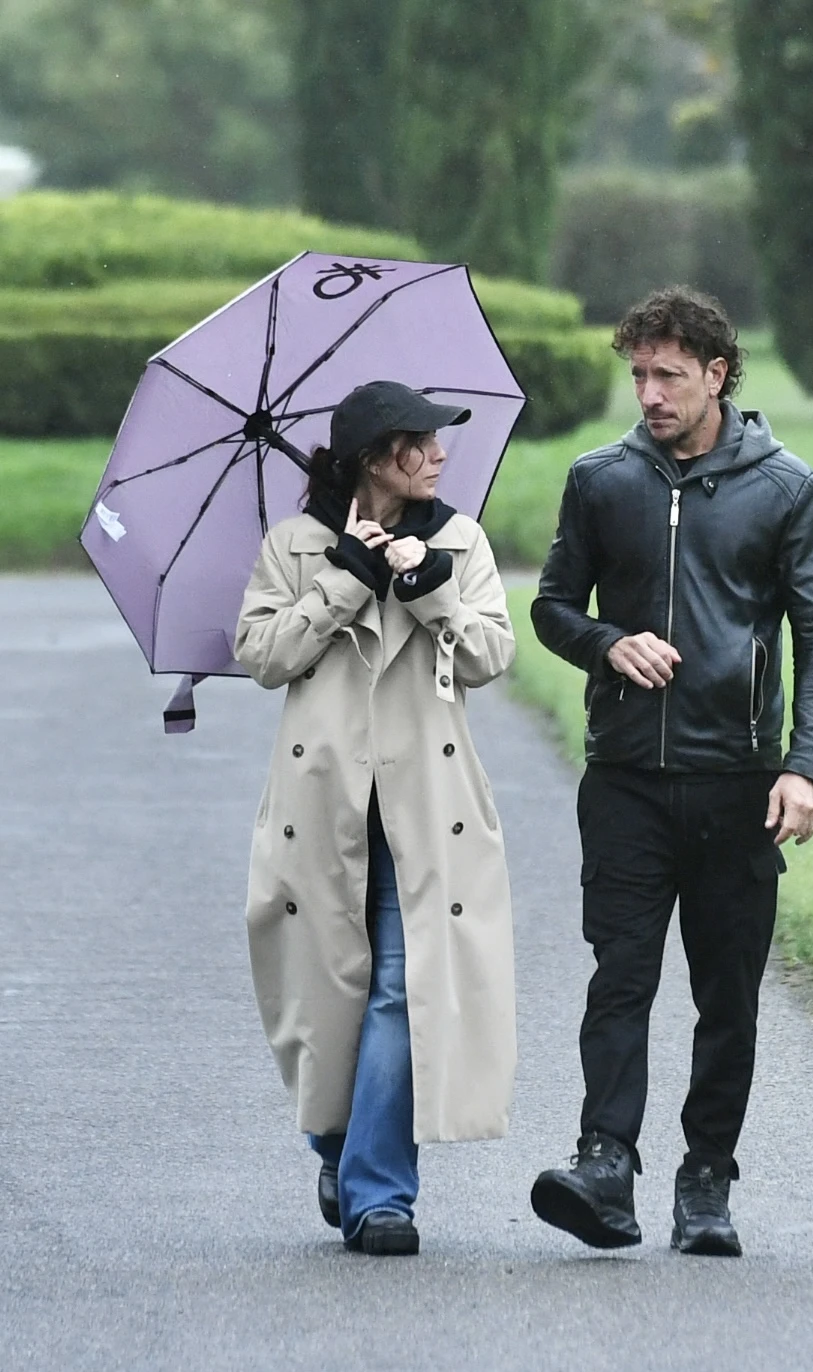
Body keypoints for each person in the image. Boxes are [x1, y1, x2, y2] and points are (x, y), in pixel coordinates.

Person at [528, 288, 813, 1256]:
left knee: (727, 995)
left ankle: (706, 1178)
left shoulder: (785, 487)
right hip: (625, 778)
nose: (650, 394)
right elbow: (550, 607)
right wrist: (607, 644)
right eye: (639, 374)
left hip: (737, 782)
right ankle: (604, 1164)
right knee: (619, 978)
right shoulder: (601, 480)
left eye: (669, 375)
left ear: (717, 374)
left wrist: (804, 767)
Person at [235, 381, 518, 1256]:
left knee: (405, 982)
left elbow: (490, 656)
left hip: (425, 812)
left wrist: (429, 587)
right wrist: (343, 581)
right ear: (375, 458)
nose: (440, 456)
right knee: (330, 989)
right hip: (324, 808)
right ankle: (340, 1145)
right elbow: (261, 656)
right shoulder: (295, 545)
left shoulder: (459, 540)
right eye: (423, 444)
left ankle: (378, 1197)